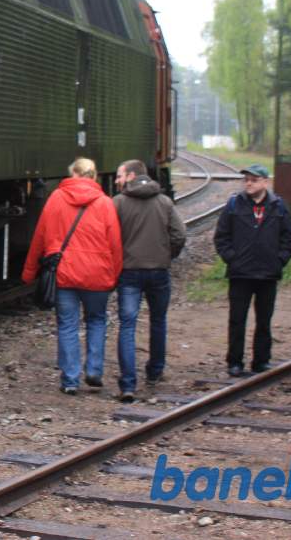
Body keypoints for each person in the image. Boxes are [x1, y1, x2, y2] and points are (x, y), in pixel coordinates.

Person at [21, 158, 122, 395]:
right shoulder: (105, 203)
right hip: (97, 275)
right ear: (94, 176)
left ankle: (70, 380)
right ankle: (94, 371)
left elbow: (40, 238)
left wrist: (28, 273)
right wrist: (114, 275)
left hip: (65, 273)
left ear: (72, 174)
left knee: (67, 325)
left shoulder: (56, 198)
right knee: (97, 321)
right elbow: (115, 244)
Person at [213, 163, 291, 377]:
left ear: (265, 182)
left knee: (264, 320)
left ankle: (261, 360)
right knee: (237, 319)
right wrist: (231, 258)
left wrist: (279, 261)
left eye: (254, 180)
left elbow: (288, 239)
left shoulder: (278, 206)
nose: (249, 184)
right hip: (240, 273)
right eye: (246, 180)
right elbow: (222, 236)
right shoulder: (234, 205)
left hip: (267, 273)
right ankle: (235, 361)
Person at [113, 159, 186, 401]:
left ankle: (128, 384)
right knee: (158, 320)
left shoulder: (119, 203)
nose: (116, 180)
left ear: (131, 176)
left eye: (120, 175)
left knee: (127, 325)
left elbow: (109, 237)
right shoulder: (164, 202)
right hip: (159, 271)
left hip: (130, 272)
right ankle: (155, 372)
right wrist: (167, 256)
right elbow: (179, 234)